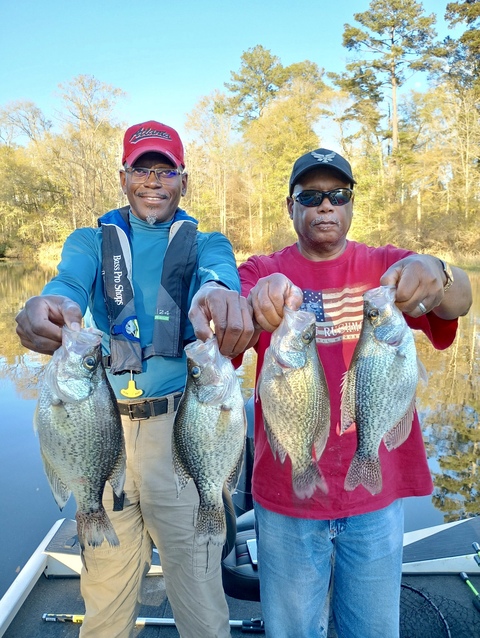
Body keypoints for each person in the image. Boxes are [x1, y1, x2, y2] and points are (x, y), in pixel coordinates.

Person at [193, 148, 472, 638]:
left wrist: (442, 272)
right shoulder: (260, 271)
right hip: (286, 501)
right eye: (312, 196)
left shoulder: (388, 267)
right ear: (291, 206)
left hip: (377, 493)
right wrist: (253, 300)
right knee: (295, 630)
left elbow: (458, 303)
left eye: (337, 196)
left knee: (372, 629)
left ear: (350, 205)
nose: (326, 206)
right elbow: (226, 317)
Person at [15, 120, 255, 638]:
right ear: (123, 177)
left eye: (165, 170)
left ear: (183, 181)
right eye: (142, 169)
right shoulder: (89, 240)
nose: (153, 180)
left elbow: (219, 276)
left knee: (203, 604)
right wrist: (50, 306)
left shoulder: (208, 241)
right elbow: (68, 283)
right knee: (103, 604)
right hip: (102, 433)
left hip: (185, 435)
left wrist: (218, 295)